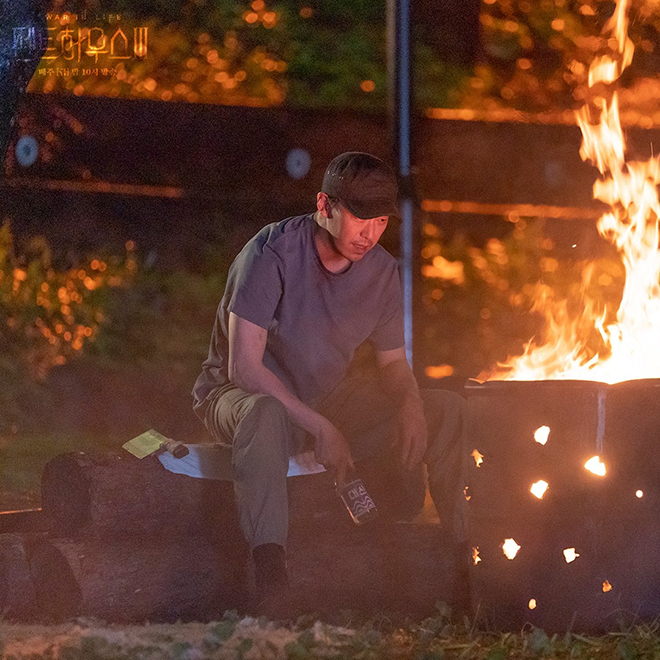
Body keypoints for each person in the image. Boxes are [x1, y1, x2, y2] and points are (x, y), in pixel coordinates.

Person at [192, 151, 466, 613]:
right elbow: (245, 368)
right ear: (325, 206)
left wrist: (412, 405)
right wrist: (322, 429)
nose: (370, 234)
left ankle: (464, 558)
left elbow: (394, 366)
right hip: (241, 396)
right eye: (360, 219)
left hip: (325, 397)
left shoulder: (382, 273)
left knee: (447, 407)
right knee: (265, 413)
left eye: (381, 222)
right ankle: (270, 576)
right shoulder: (271, 254)